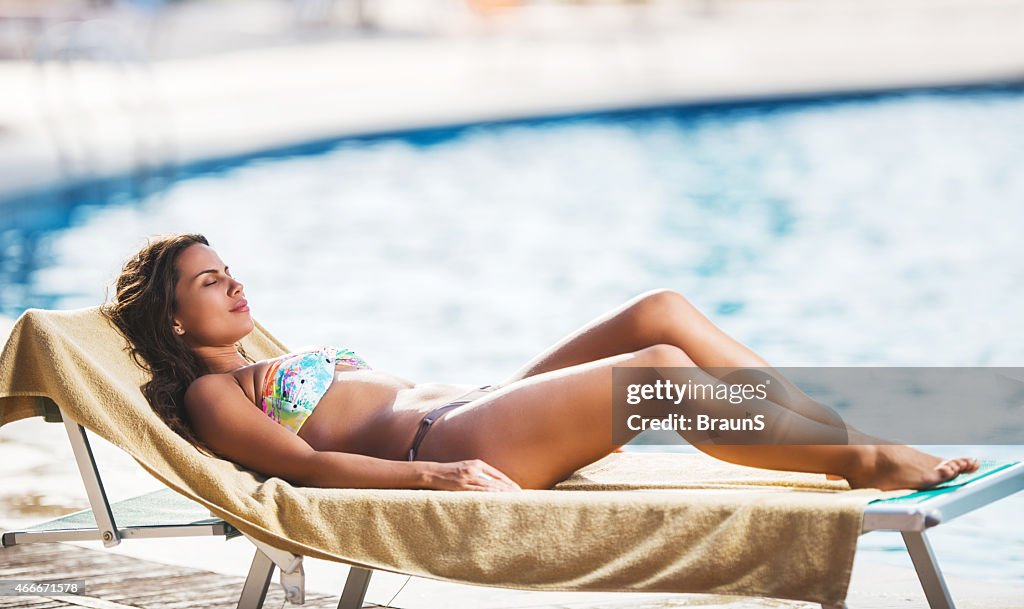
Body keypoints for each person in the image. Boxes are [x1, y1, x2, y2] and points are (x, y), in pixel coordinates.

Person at [101, 233, 978, 493]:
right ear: (173, 317)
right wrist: (429, 486)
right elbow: (309, 465)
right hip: (442, 444)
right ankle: (860, 459)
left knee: (660, 311)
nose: (234, 282)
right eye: (210, 281)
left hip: (484, 400)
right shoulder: (216, 392)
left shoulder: (264, 356)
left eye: (229, 268)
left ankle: (841, 430)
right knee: (660, 368)